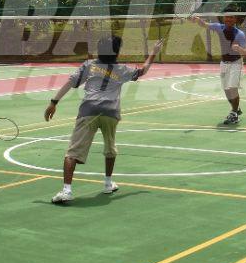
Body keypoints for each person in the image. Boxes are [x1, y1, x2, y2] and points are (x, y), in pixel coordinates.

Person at [46, 36, 163, 204]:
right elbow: (143, 70)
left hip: (89, 109)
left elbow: (70, 82)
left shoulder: (89, 65)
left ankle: (67, 190)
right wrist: (153, 52)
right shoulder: (121, 69)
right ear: (116, 52)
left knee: (72, 152)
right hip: (110, 111)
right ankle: (108, 183)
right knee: (110, 147)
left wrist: (53, 102)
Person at [191, 9, 246, 125]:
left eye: (231, 17)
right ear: (224, 18)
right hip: (224, 63)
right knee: (227, 90)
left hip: (236, 63)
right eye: (226, 17)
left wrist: (239, 49)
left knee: (232, 88)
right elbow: (205, 25)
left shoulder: (240, 34)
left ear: (235, 19)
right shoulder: (219, 27)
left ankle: (234, 113)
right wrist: (198, 20)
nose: (228, 19)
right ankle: (236, 108)